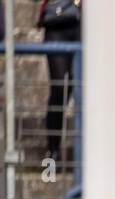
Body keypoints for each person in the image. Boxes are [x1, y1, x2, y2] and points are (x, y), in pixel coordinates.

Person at [37, 0, 82, 163]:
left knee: (79, 87)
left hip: (81, 23)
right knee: (59, 89)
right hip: (55, 24)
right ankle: (53, 149)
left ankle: (86, 152)